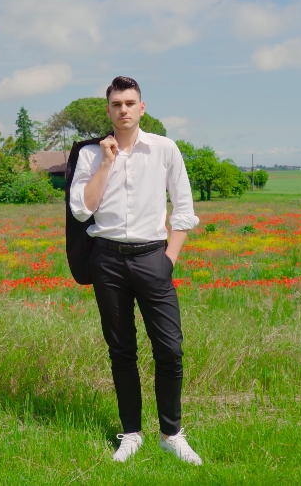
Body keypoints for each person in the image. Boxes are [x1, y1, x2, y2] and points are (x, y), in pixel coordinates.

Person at [69, 76, 202, 465]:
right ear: (108, 110)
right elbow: (82, 209)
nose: (123, 109)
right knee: (121, 351)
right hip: (107, 259)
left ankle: (171, 434)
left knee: (170, 349)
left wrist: (168, 260)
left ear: (142, 108)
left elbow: (184, 209)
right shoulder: (92, 155)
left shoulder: (165, 149)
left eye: (130, 103)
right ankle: (131, 433)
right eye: (116, 104)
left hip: (152, 259)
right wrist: (107, 162)